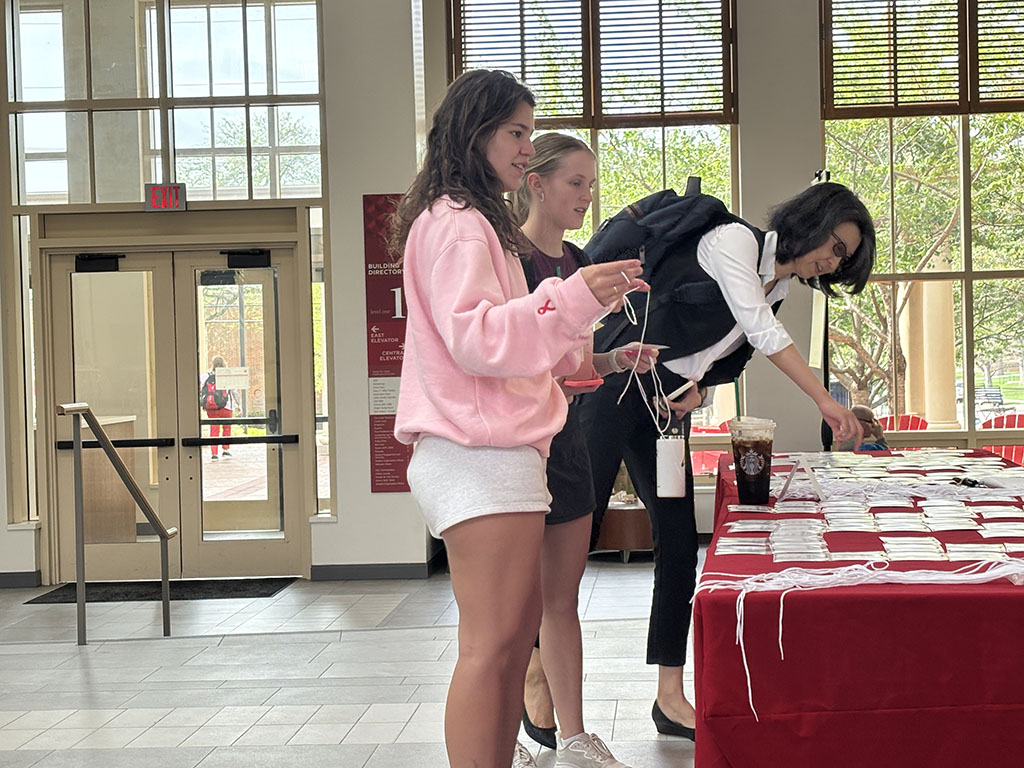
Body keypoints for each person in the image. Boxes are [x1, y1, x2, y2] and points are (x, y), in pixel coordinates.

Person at [389, 70, 647, 768]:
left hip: (499, 452)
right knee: (491, 645)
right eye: (515, 132)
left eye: (530, 133)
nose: (526, 147)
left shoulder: (475, 222)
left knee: (507, 642)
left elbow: (525, 351)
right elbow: (476, 338)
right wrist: (571, 298)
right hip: (476, 453)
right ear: (474, 132)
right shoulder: (459, 223)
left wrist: (585, 307)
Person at [577, 181, 876, 740]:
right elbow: (759, 328)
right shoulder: (733, 240)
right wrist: (824, 399)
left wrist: (700, 389)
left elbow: (721, 352)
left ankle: (670, 696)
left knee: (677, 543)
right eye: (835, 247)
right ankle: (536, 670)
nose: (832, 262)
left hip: (666, 405)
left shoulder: (778, 287)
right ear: (811, 221)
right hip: (615, 384)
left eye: (843, 260)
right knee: (577, 533)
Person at [509, 133, 661, 768]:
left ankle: (572, 737)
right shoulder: (503, 256)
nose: (587, 196)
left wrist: (615, 358)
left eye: (591, 184)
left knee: (561, 601)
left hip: (566, 439)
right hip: (515, 447)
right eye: (576, 182)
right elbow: (505, 354)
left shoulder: (575, 260)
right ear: (536, 184)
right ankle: (504, 738)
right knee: (509, 610)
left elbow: (570, 366)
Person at [200, 355, 233, 460]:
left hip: (212, 406)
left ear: (212, 364)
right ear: (224, 364)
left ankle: (214, 453)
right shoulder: (227, 376)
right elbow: (233, 392)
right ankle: (225, 450)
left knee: (214, 429)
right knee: (226, 428)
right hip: (226, 406)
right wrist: (238, 405)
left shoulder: (205, 376)